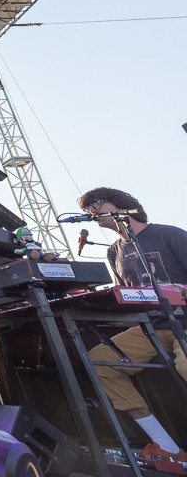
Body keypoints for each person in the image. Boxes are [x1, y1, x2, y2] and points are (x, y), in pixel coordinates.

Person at [81, 187, 187, 463]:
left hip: (184, 321)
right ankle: (167, 446)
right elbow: (125, 293)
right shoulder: (114, 251)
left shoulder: (169, 234)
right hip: (150, 327)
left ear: (122, 204)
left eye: (95, 204)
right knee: (101, 362)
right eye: (86, 209)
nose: (90, 212)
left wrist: (177, 290)